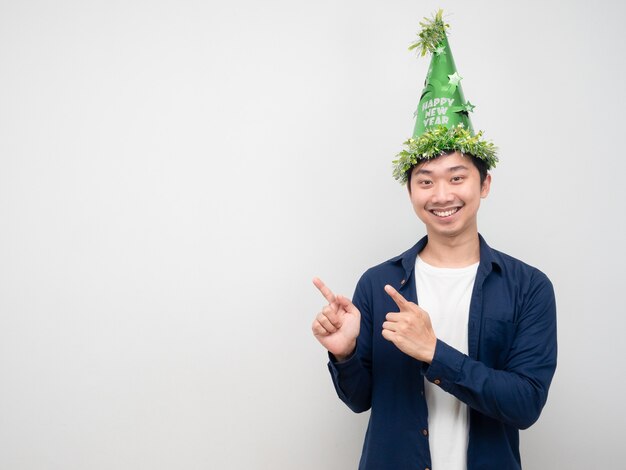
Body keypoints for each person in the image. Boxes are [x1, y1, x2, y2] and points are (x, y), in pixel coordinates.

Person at [311, 11, 557, 470]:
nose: (441, 195)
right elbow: (360, 401)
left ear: (484, 185)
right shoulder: (378, 284)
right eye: (425, 181)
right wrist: (345, 353)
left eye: (457, 177)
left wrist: (433, 352)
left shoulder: (529, 287)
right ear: (410, 192)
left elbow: (526, 404)